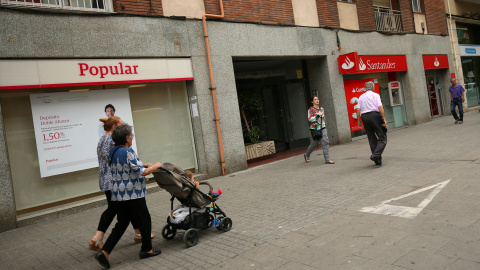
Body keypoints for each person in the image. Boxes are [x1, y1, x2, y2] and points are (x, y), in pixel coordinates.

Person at [95, 125, 162, 269]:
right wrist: (155, 166)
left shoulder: (113, 151)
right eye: (131, 135)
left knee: (122, 223)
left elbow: (126, 167)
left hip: (118, 194)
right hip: (132, 193)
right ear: (126, 138)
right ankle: (147, 250)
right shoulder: (128, 151)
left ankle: (104, 252)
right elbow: (142, 172)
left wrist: (143, 165)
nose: (132, 137)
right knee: (144, 219)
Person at [89, 116, 152, 253]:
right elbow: (124, 159)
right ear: (114, 127)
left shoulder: (101, 140)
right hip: (118, 180)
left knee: (125, 211)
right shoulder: (113, 140)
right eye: (121, 125)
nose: (124, 127)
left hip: (107, 179)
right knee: (118, 210)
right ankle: (98, 236)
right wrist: (141, 168)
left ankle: (138, 233)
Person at [356, 81, 387, 166]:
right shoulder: (375, 95)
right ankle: (375, 155)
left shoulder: (361, 97)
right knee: (382, 138)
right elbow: (380, 107)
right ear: (373, 87)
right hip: (375, 116)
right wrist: (384, 119)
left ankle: (377, 160)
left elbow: (358, 110)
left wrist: (359, 121)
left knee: (371, 138)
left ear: (365, 88)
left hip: (365, 117)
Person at [303, 96, 335, 164]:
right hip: (314, 129)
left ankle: (327, 159)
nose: (317, 100)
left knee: (325, 143)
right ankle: (307, 155)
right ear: (312, 102)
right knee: (313, 144)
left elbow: (322, 118)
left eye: (317, 99)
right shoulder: (310, 110)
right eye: (315, 99)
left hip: (322, 128)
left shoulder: (321, 109)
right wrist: (317, 116)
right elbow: (310, 119)